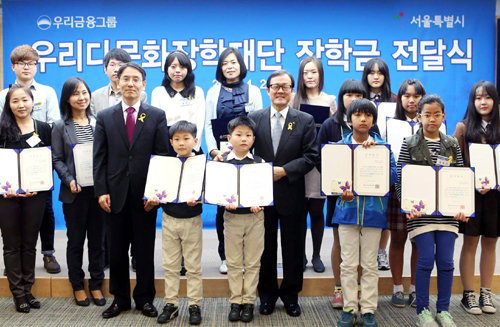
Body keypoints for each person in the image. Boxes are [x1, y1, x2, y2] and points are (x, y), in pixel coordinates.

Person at [93, 62, 169, 319]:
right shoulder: (105, 116)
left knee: (144, 249)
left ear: (143, 84)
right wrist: (102, 190)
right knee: (116, 250)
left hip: (145, 196)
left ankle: (145, 298)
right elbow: (99, 158)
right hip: (113, 195)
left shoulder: (156, 115)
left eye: (136, 79)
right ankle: (120, 299)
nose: (130, 83)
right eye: (125, 79)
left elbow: (162, 156)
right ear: (117, 82)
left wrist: (156, 193)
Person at [248, 70, 319, 317]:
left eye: (285, 87)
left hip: (291, 192)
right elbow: (246, 152)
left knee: (293, 247)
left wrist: (284, 171)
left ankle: (290, 296)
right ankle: (266, 296)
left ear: (292, 90)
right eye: (275, 86)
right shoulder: (254, 118)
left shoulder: (304, 120)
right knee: (264, 249)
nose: (280, 91)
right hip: (261, 195)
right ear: (267, 90)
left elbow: (311, 156)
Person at [397, 94, 467, 327]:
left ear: (444, 116)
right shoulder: (409, 143)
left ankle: (444, 311)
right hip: (420, 215)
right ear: (419, 117)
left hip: (447, 214)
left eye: (437, 114)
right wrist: (407, 206)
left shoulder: (451, 144)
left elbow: (459, 178)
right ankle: (424, 311)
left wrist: (461, 207)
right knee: (425, 260)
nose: (432, 119)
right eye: (427, 114)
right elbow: (401, 179)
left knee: (446, 262)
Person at [334, 98, 397, 327]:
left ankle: (369, 309)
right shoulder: (339, 147)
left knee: (370, 264)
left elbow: (392, 177)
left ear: (373, 120)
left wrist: (374, 157)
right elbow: (332, 181)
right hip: (347, 212)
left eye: (368, 115)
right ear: (349, 120)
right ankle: (349, 308)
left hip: (373, 213)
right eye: (358, 114)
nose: (363, 119)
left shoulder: (382, 147)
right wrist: (341, 191)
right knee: (348, 264)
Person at [0, 45, 61, 274]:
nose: (27, 67)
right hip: (11, 159)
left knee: (44, 208)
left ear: (37, 66)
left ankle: (48, 253)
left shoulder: (47, 92)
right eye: (22, 63)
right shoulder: (3, 96)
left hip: (38, 158)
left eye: (31, 63)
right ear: (13, 66)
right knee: (12, 212)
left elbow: (55, 123)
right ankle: (14, 262)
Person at [317, 79, 377, 309]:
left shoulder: (372, 128)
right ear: (341, 98)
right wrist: (337, 184)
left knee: (365, 246)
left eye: (358, 94)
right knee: (341, 241)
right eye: (348, 95)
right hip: (339, 195)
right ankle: (339, 288)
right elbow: (320, 157)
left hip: (369, 197)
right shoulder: (330, 125)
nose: (353, 99)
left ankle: (359, 289)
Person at [205, 47, 262, 274]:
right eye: (225, 63)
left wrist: (253, 154)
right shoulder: (212, 92)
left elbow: (258, 123)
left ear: (241, 65)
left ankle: (248, 257)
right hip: (223, 158)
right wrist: (213, 152)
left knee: (250, 206)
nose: (229, 66)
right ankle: (225, 256)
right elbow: (208, 124)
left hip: (248, 158)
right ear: (220, 68)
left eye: (234, 62)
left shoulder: (254, 90)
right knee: (224, 207)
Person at [52, 77, 105, 307]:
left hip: (98, 191)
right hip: (74, 192)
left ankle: (95, 284)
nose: (81, 97)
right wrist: (69, 178)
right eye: (76, 94)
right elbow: (56, 158)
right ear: (67, 98)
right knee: (75, 240)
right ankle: (77, 284)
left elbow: (105, 156)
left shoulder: (99, 121)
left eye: (84, 92)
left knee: (98, 241)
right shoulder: (58, 126)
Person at [0, 85, 52, 312]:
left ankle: (28, 290)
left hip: (36, 196)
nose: (21, 105)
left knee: (30, 244)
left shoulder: (43, 128)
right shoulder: (2, 128)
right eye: (15, 101)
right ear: (8, 105)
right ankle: (18, 294)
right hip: (6, 196)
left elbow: (49, 159)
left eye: (25, 100)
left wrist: (39, 184)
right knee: (11, 245)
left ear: (32, 102)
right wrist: (4, 188)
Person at [454, 81, 500, 315]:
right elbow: (454, 162)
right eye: (478, 98)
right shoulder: (463, 128)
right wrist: (473, 184)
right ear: (472, 102)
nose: (483, 102)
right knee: (470, 243)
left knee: (491, 242)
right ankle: (468, 294)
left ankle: (486, 292)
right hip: (470, 195)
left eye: (488, 97)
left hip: (496, 195)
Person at [291, 56, 337, 273]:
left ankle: (317, 255)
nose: (309, 76)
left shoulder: (329, 100)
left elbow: (333, 131)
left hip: (320, 165)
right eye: (305, 72)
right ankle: (299, 256)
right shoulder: (294, 99)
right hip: (299, 163)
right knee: (299, 213)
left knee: (317, 212)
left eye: (314, 72)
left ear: (320, 75)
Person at [218, 116, 265, 323]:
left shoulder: (259, 163)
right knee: (234, 262)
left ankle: (249, 302)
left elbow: (264, 191)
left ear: (254, 139)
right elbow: (217, 190)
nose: (243, 139)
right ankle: (235, 301)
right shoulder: (222, 163)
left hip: (255, 217)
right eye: (238, 135)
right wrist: (223, 201)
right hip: (231, 217)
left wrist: (260, 202)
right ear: (229, 138)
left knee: (253, 262)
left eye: (248, 135)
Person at [156, 120, 203, 326]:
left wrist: (199, 198)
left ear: (195, 140)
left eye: (186, 138)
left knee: (193, 266)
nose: (181, 143)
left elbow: (209, 189)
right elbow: (158, 188)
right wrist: (154, 197)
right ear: (171, 142)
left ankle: (195, 305)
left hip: (192, 220)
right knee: (171, 265)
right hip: (169, 219)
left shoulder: (202, 163)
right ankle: (171, 304)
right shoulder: (166, 163)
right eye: (176, 139)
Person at [388, 79, 425, 308]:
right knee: (398, 239)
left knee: (420, 241)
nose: (411, 100)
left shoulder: (434, 123)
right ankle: (397, 288)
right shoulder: (390, 124)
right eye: (406, 96)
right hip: (397, 190)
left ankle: (414, 289)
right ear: (399, 99)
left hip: (425, 192)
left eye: (416, 96)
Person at [361, 57, 396, 271]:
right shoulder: (359, 98)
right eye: (371, 72)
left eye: (380, 72)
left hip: (384, 158)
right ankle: (365, 252)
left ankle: (381, 251)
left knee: (384, 206)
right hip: (362, 158)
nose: (375, 76)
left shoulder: (394, 100)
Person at [151, 50, 205, 153]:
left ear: (188, 70)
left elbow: (200, 122)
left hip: (190, 146)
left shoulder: (197, 92)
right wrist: (161, 149)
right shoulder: (158, 92)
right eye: (173, 66)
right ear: (166, 69)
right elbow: (156, 124)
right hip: (166, 146)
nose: (177, 70)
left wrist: (193, 148)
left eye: (182, 67)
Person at [90, 48, 147, 114]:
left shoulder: (141, 95)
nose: (116, 69)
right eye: (112, 65)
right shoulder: (95, 96)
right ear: (105, 69)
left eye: (120, 65)